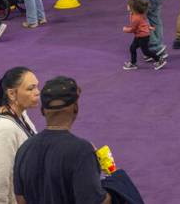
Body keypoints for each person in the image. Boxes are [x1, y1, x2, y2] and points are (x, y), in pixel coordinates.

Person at [12, 76, 111, 204]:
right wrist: (115, 182)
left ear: (43, 111)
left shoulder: (24, 149)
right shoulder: (82, 151)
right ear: (76, 109)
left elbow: (20, 200)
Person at [0, 67, 39, 204]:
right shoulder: (4, 130)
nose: (37, 92)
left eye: (37, 87)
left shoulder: (20, 114)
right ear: (12, 94)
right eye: (31, 89)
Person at [122, 0, 166, 70]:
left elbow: (133, 29)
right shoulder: (135, 14)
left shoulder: (136, 17)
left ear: (133, 8)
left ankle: (159, 60)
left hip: (143, 36)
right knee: (132, 48)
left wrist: (125, 29)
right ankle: (133, 63)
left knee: (145, 51)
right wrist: (149, 27)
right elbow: (143, 23)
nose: (127, 6)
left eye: (128, 5)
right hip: (139, 35)